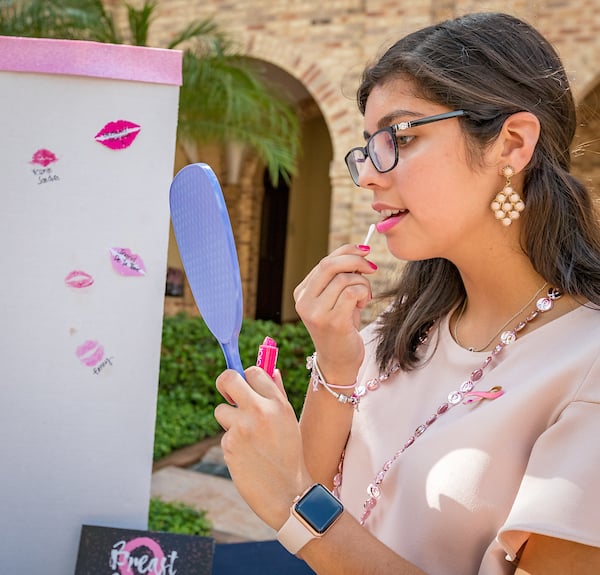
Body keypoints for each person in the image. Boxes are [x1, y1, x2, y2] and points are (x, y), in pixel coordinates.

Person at [214, 12, 600, 574]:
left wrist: (291, 502)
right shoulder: (398, 329)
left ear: (511, 145)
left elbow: (306, 513)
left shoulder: (586, 365)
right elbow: (320, 505)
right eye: (368, 148)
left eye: (400, 137)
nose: (369, 174)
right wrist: (337, 362)